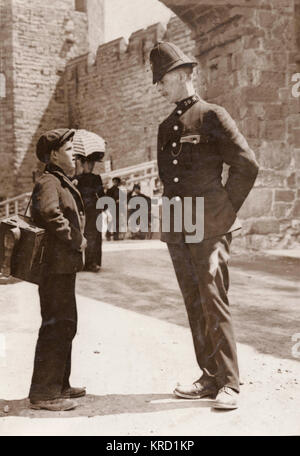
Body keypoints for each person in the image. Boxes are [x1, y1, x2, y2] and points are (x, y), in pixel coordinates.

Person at [149, 42, 259, 410]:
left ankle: (229, 381)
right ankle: (208, 376)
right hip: (179, 224)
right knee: (193, 299)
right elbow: (169, 180)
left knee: (213, 297)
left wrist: (224, 210)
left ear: (182, 76)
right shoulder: (166, 127)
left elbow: (246, 164)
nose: (159, 88)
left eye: (162, 80)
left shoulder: (213, 115)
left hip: (210, 221)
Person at [29, 129, 87, 411]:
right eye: (69, 149)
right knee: (56, 325)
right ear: (53, 155)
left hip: (62, 267)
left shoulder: (60, 180)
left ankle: (60, 384)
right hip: (53, 267)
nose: (74, 154)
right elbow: (52, 214)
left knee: (66, 323)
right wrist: (76, 238)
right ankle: (43, 394)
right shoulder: (49, 181)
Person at [74, 154, 105, 272]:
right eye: (88, 162)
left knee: (95, 235)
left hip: (93, 209)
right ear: (82, 163)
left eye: (93, 163)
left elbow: (101, 194)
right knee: (86, 235)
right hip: (83, 209)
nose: (91, 165)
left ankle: (93, 262)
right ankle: (86, 262)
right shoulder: (77, 179)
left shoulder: (95, 178)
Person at [106, 177, 123, 241]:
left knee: (114, 221)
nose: (116, 183)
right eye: (114, 182)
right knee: (112, 221)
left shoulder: (116, 190)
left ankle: (113, 235)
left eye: (116, 182)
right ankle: (112, 235)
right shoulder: (110, 190)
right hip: (112, 207)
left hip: (116, 208)